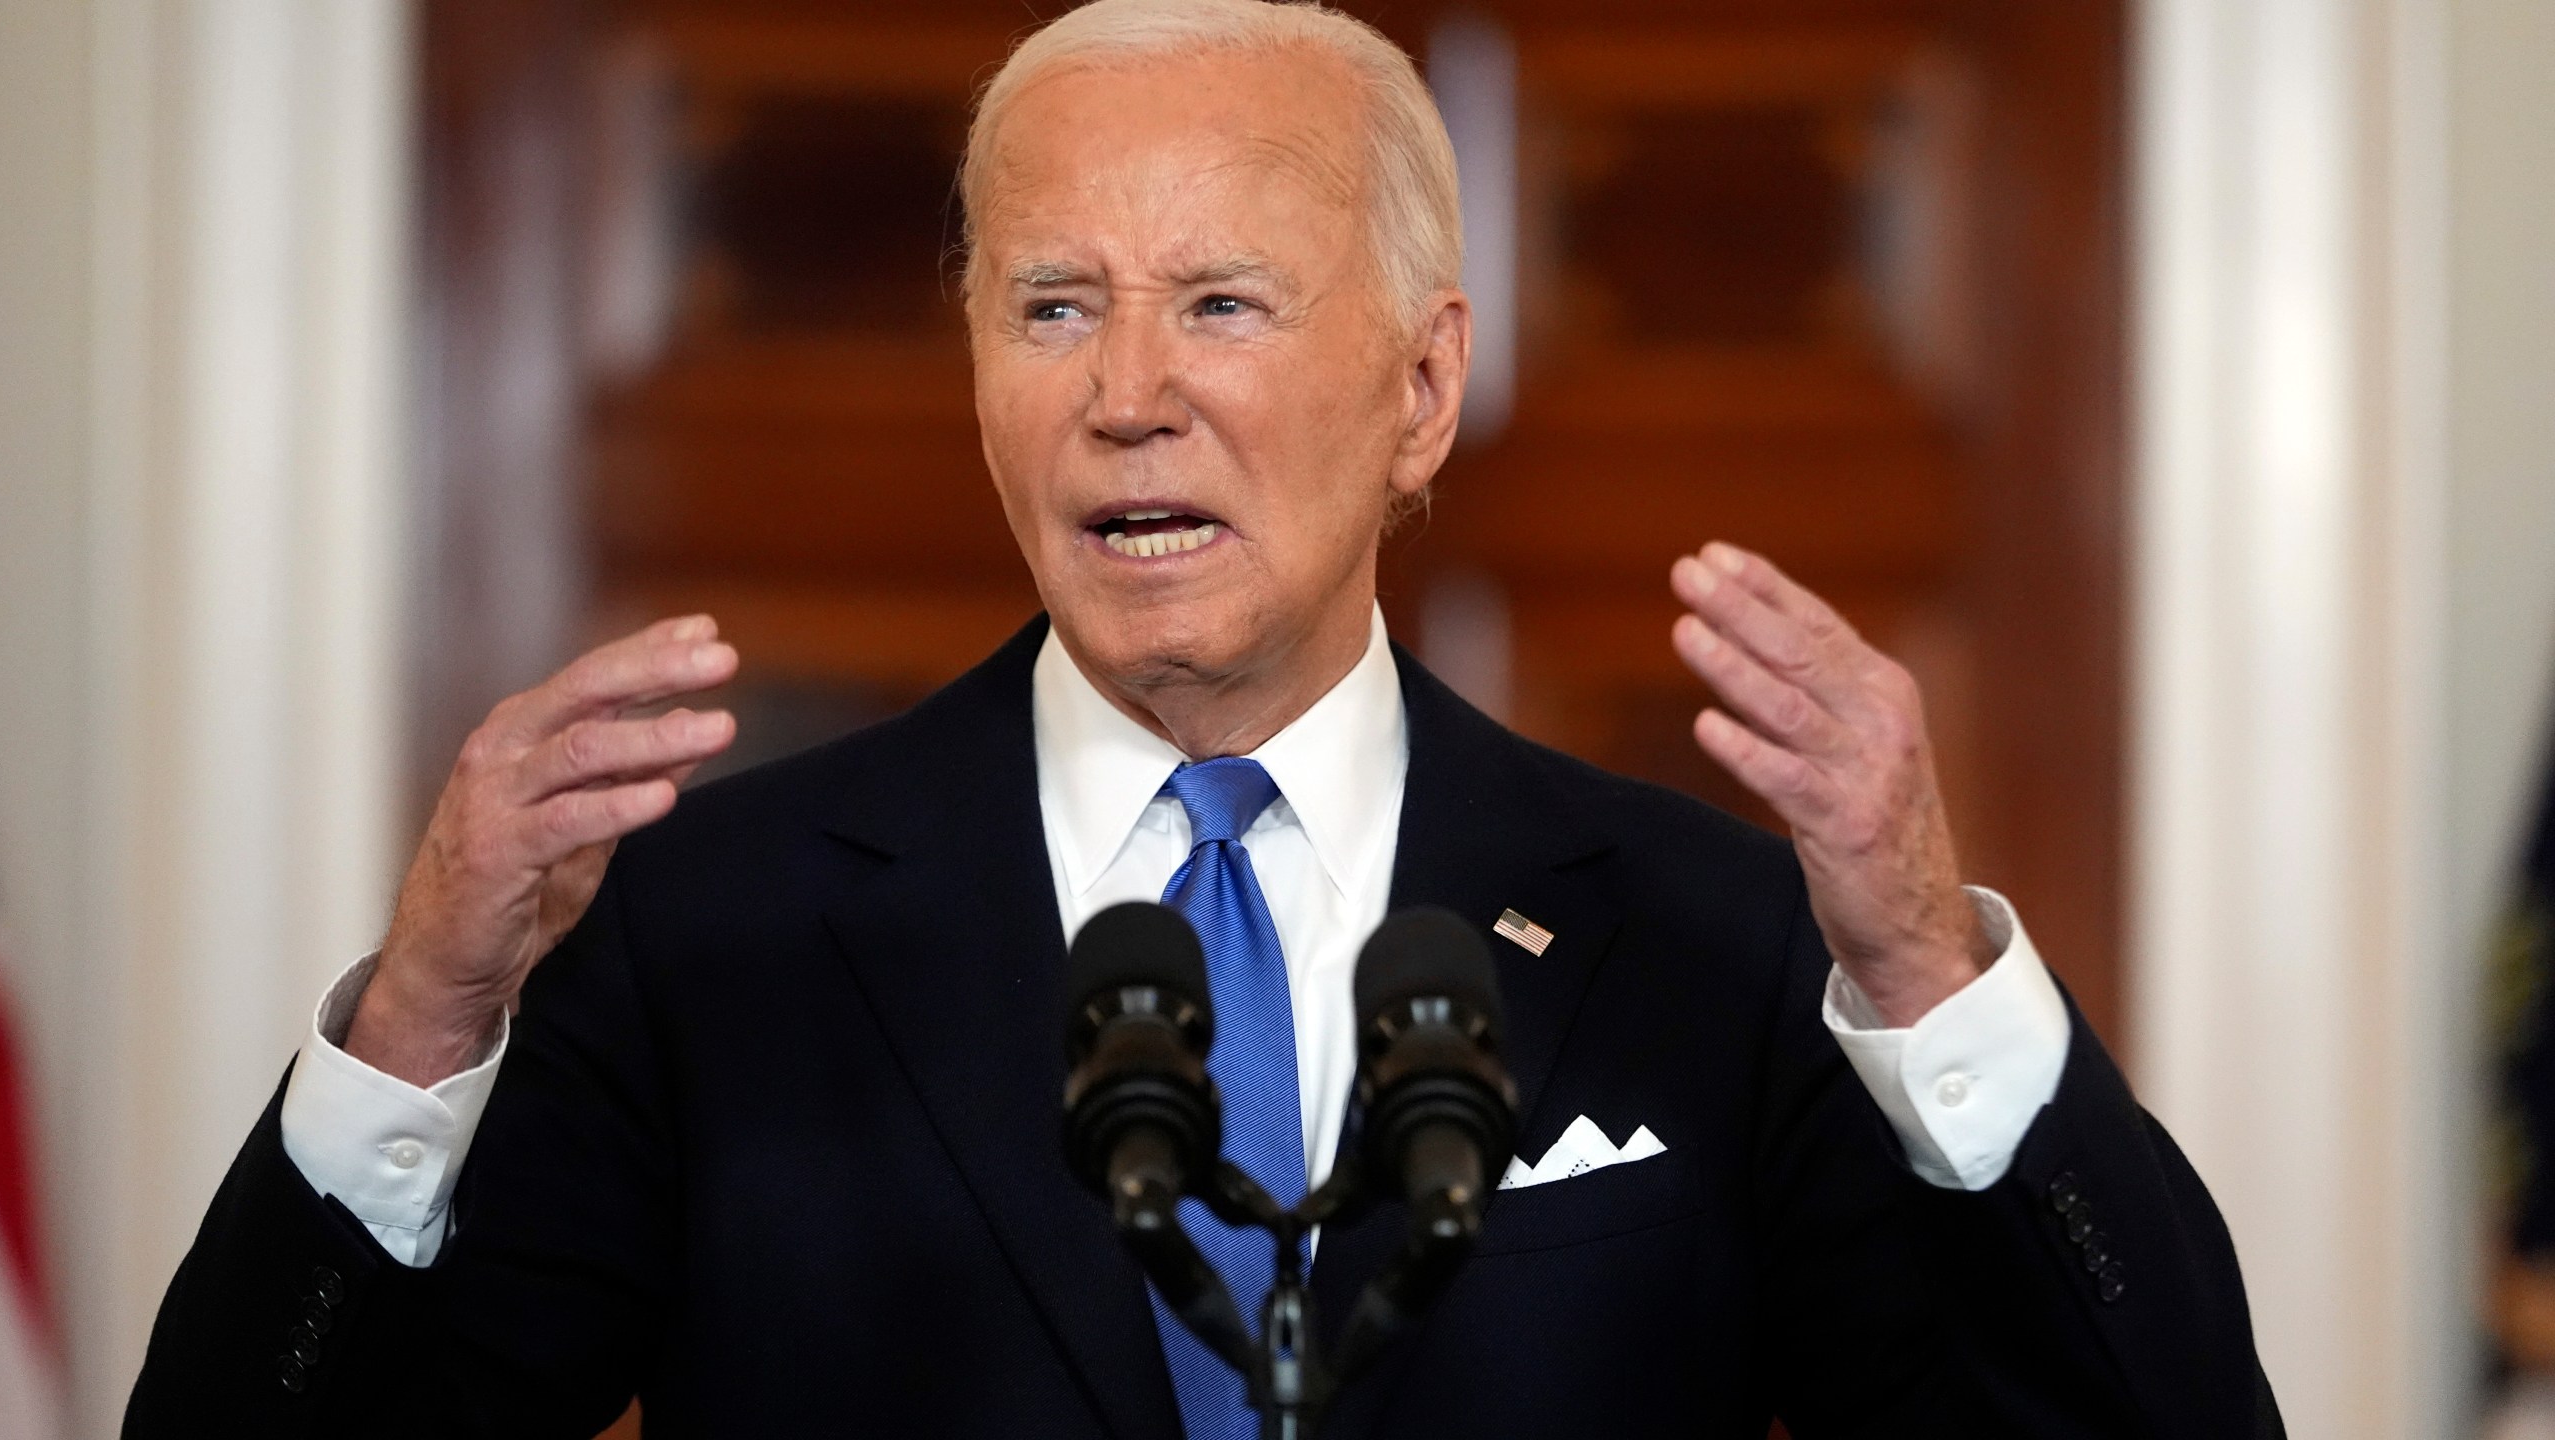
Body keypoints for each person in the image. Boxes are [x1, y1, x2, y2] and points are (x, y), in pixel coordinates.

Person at [125, 1, 2278, 1434]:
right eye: (1050, 306)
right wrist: (419, 1015)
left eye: (1221, 303)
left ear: (1420, 388)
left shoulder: (1707, 938)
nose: (1124, 391)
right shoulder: (711, 937)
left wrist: (1920, 962)